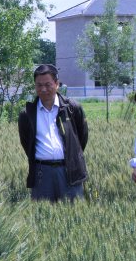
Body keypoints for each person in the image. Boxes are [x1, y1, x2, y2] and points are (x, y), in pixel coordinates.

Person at [18, 64, 88, 202]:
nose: (43, 89)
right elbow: (27, 143)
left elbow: (81, 138)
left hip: (70, 171)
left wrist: (71, 156)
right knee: (42, 218)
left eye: (48, 84)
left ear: (57, 84)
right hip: (42, 173)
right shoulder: (27, 114)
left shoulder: (72, 108)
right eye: (39, 85)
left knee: (73, 216)